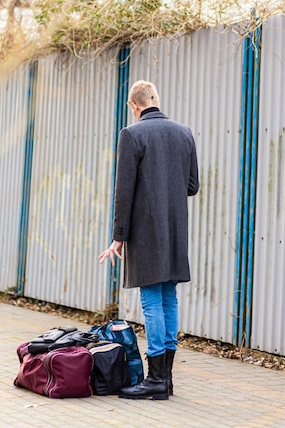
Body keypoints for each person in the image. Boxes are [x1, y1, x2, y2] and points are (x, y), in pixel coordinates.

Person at [99, 80, 199, 400]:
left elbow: (123, 193)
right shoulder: (184, 133)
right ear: (156, 99)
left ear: (134, 106)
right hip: (176, 229)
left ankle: (155, 379)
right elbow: (192, 185)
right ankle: (165, 378)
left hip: (145, 231)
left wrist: (118, 239)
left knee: (151, 300)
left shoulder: (132, 134)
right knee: (169, 298)